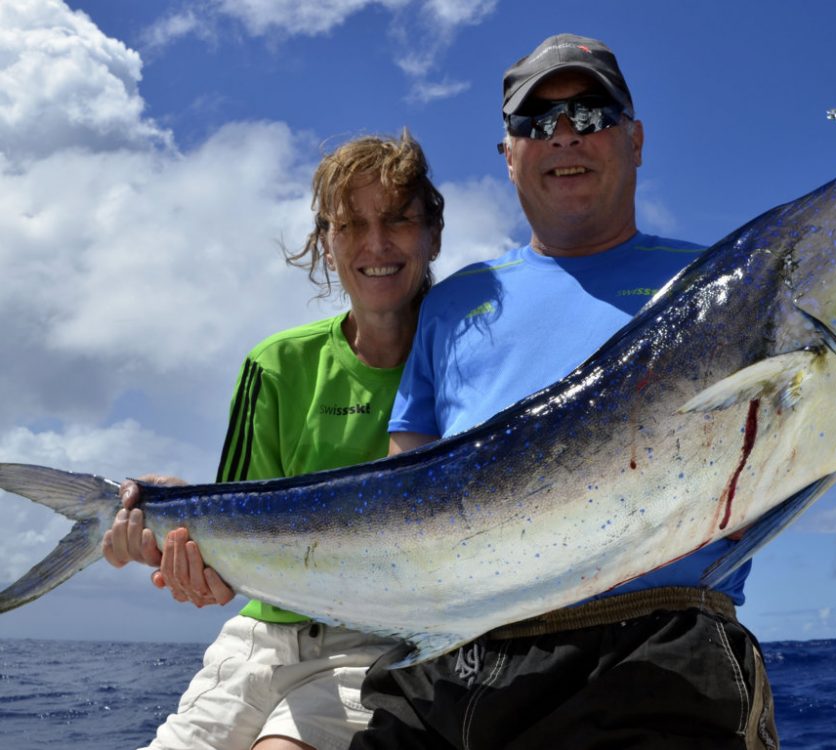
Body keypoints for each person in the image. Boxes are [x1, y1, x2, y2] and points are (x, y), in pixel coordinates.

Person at [351, 34, 779, 750]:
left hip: (653, 647)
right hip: (455, 654)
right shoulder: (454, 303)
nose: (562, 136)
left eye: (589, 114)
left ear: (635, 139)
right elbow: (404, 491)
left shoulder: (725, 284)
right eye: (534, 123)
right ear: (508, 154)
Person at [102, 130, 445, 750]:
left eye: (396, 220)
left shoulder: (463, 362)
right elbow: (238, 526)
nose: (375, 244)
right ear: (326, 244)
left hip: (369, 647)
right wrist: (180, 539)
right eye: (351, 226)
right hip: (256, 639)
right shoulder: (275, 365)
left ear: (432, 235)